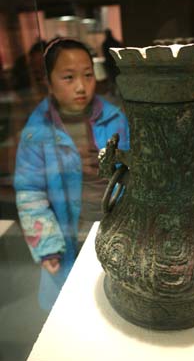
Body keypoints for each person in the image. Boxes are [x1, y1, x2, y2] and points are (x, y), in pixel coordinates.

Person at [14, 37, 130, 311]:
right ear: (49, 82)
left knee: (115, 302)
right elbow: (30, 190)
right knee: (74, 307)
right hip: (68, 235)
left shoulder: (115, 118)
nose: (81, 86)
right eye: (68, 77)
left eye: (88, 75)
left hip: (114, 229)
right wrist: (47, 245)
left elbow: (131, 172)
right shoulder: (36, 130)